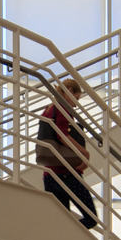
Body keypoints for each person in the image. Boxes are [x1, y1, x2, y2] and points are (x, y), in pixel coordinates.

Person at [36, 78, 98, 230]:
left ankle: (66, 238)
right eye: (76, 98)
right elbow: (62, 135)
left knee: (60, 222)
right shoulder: (62, 108)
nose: (76, 104)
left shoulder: (49, 108)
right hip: (67, 175)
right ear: (69, 90)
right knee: (91, 219)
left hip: (50, 175)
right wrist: (84, 153)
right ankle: (71, 234)